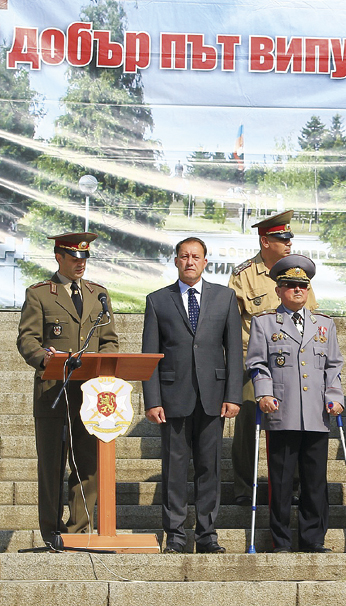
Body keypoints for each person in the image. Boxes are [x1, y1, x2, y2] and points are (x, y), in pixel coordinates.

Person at [16, 232, 118, 546]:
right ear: (59, 257)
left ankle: (77, 532)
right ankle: (50, 531)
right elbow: (27, 339)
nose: (80, 264)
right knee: (51, 465)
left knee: (87, 463)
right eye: (74, 258)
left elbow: (110, 341)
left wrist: (106, 364)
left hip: (90, 394)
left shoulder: (98, 294)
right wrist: (42, 357)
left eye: (84, 258)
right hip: (53, 392)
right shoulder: (40, 295)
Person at [142, 237, 242, 554]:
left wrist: (234, 395)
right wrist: (152, 399)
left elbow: (235, 352)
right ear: (175, 261)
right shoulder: (158, 301)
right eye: (184, 256)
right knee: (174, 468)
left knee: (209, 467)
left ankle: (207, 533)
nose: (189, 261)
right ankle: (175, 534)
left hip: (213, 396)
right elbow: (150, 354)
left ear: (205, 262)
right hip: (172, 397)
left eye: (196, 257)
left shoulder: (225, 298)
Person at [245, 255, 344, 553]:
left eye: (303, 285)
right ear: (278, 290)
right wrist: (263, 393)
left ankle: (313, 540)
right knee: (282, 480)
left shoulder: (325, 325)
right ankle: (282, 540)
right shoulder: (264, 324)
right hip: (282, 410)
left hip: (316, 413)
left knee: (315, 482)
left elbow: (334, 366)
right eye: (290, 285)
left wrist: (335, 397)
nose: (297, 290)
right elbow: (258, 363)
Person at [228, 210, 317, 506]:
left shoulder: (296, 275)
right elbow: (230, 322)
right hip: (252, 362)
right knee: (246, 428)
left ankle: (289, 484)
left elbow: (311, 318)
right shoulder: (243, 276)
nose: (288, 243)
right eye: (282, 238)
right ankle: (244, 487)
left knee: (291, 423)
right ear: (265, 241)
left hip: (291, 361)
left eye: (289, 238)